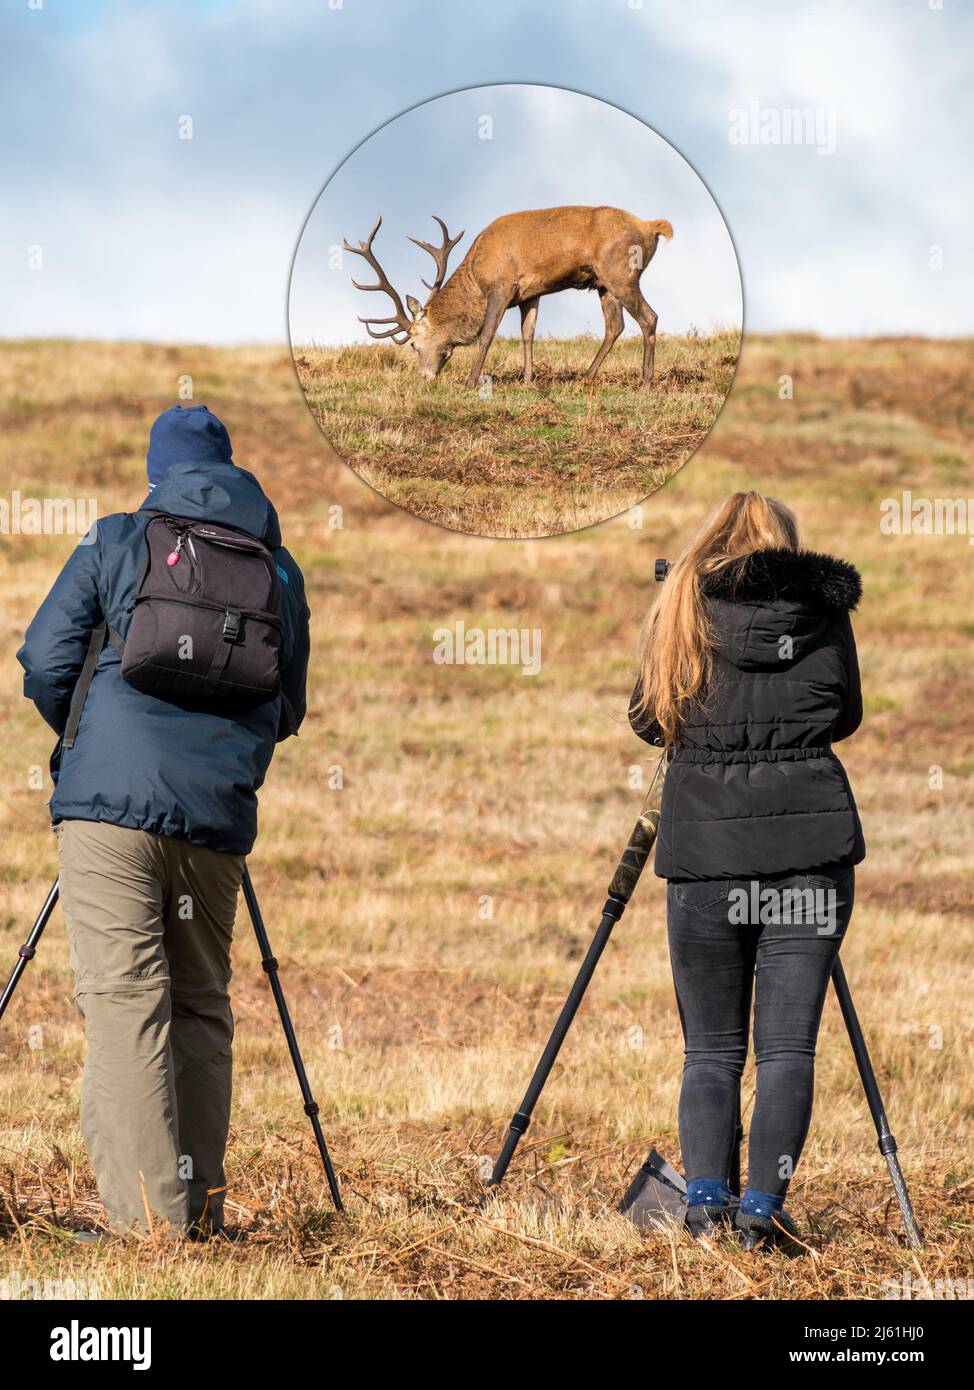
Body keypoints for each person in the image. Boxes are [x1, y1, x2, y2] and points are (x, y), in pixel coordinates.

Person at [17, 405, 310, 1238]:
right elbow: (286, 704)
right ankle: (200, 1210)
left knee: (123, 1003)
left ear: (158, 473)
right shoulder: (277, 568)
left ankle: (150, 1229)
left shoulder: (115, 538)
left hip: (108, 814)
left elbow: (44, 660)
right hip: (214, 822)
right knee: (197, 1005)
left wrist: (82, 742)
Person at [630, 491, 864, 1251]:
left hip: (705, 858)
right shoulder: (822, 609)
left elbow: (646, 719)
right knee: (789, 1047)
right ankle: (761, 1209)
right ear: (787, 550)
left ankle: (703, 1205)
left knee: (711, 1050)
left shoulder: (681, 609)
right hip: (809, 856)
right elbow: (845, 713)